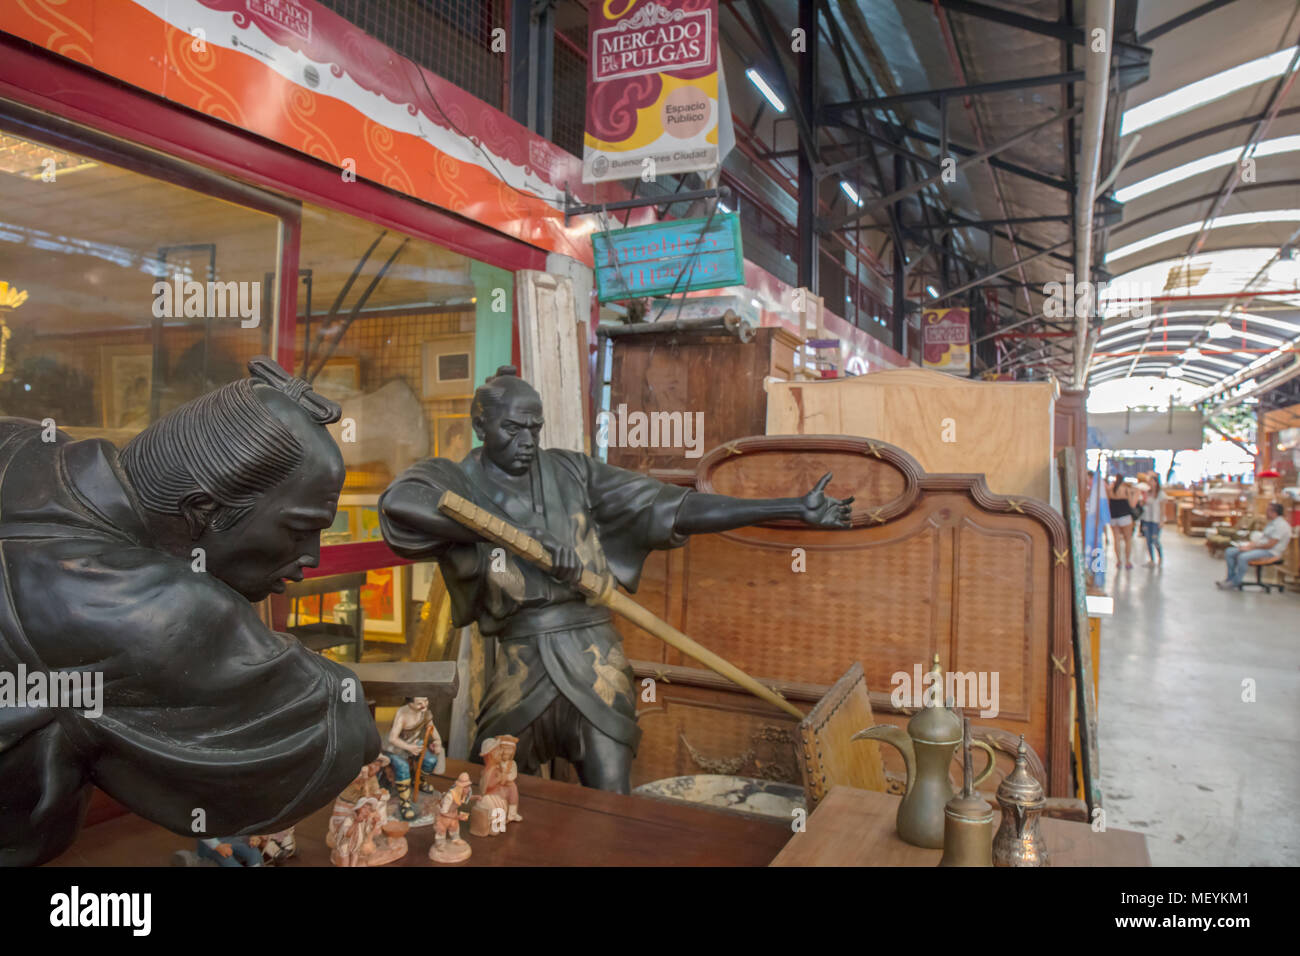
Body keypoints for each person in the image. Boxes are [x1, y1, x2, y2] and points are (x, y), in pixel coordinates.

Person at [379, 366, 854, 794]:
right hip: (519, 666)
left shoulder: (573, 471)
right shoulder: (456, 480)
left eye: (534, 428)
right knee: (495, 796)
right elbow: (401, 504)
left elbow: (672, 506)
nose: (527, 441)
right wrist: (514, 534)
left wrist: (788, 507)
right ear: (480, 426)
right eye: (511, 428)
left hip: (594, 659)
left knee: (612, 801)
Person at [0, 357, 380, 867]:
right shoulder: (149, 607)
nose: (310, 557)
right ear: (203, 511)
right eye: (298, 529)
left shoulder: (21, 445)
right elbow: (342, 724)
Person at [384, 696, 445, 820]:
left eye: (426, 701)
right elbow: (392, 738)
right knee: (403, 766)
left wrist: (438, 743)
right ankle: (404, 801)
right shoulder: (402, 714)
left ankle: (419, 781)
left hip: (414, 743)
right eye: (419, 703)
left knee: (430, 760)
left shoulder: (425, 713)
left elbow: (432, 730)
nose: (424, 705)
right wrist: (408, 748)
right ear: (410, 703)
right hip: (396, 747)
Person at [1217, 502, 1292, 590]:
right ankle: (1230, 579)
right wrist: (1248, 545)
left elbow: (1270, 544)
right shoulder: (1271, 523)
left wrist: (1250, 548)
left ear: (1274, 512)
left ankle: (1235, 582)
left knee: (1243, 557)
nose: (1266, 512)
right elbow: (1261, 539)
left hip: (1270, 552)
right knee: (1230, 551)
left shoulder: (1281, 526)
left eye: (1267, 510)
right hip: (1259, 548)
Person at [1107, 474, 1138, 570]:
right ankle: (1128, 561)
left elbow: (1108, 503)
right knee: (1127, 539)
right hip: (1125, 517)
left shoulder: (1110, 489)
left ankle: (1118, 561)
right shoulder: (1125, 489)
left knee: (1116, 539)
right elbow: (1132, 505)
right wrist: (1136, 494)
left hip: (1113, 517)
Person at [1140, 474, 1167, 567]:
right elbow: (1144, 505)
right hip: (1147, 519)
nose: (1150, 483)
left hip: (1156, 520)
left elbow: (1162, 508)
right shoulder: (1147, 493)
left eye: (1152, 481)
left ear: (1156, 482)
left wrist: (1161, 521)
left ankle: (1160, 555)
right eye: (1149, 481)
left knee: (1155, 539)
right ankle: (1151, 559)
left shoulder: (1161, 494)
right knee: (1148, 540)